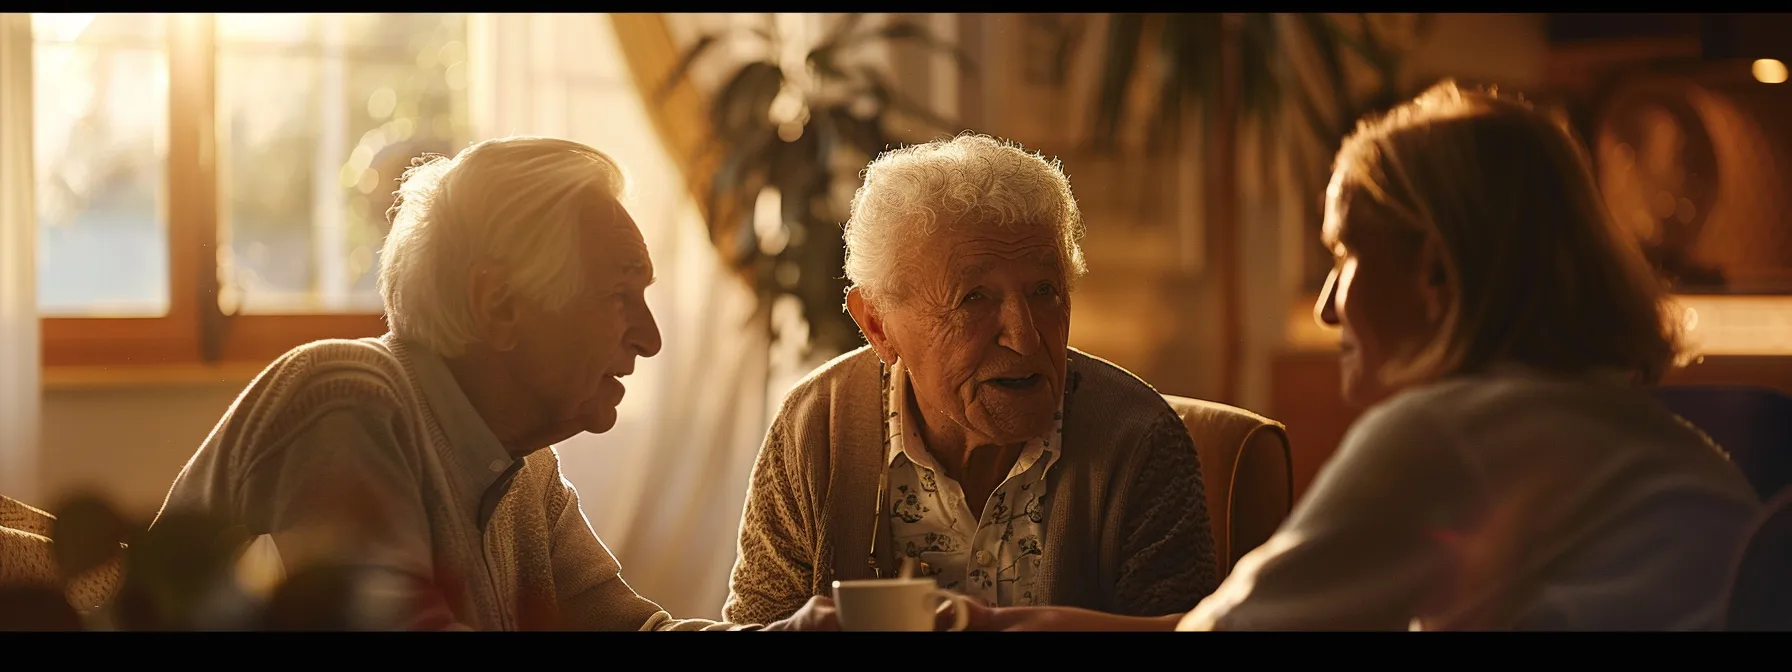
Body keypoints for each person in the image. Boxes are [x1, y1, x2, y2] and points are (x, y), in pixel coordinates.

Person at [955, 80, 1762, 631]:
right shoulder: (1604, 426)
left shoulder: (1453, 431)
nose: (1326, 304)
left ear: (1435, 272)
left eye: (1345, 255)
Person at [153, 137, 836, 631]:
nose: (649, 338)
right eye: (619, 295)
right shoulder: (349, 399)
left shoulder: (522, 468)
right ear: (501, 305)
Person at [723, 133, 1229, 626]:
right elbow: (761, 623)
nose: (1026, 339)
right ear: (877, 323)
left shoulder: (1140, 441)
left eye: (1045, 290)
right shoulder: (815, 430)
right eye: (974, 298)